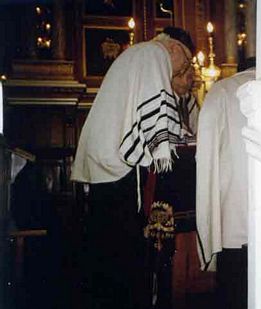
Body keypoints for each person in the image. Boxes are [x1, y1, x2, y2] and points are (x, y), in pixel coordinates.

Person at [71, 26, 195, 309]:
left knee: (108, 248)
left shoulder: (137, 53)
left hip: (103, 164)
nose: (182, 70)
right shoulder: (154, 54)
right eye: (185, 62)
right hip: (119, 171)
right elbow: (156, 123)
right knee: (124, 252)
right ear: (175, 48)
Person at [196, 57, 256, 309]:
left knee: (234, 293)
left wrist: (207, 230)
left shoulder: (222, 90)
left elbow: (206, 157)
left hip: (233, 220)